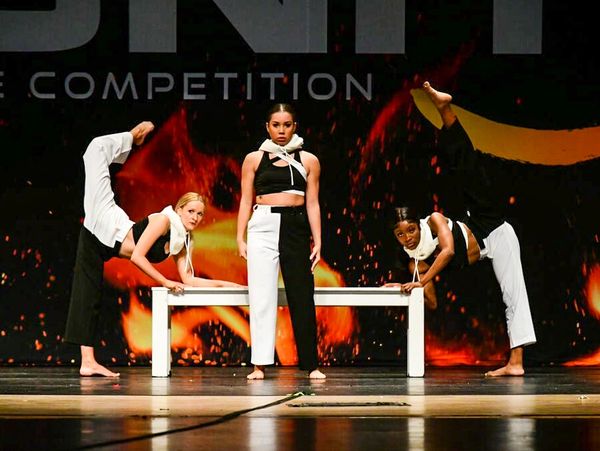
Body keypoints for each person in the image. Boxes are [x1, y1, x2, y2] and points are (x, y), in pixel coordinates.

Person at [64, 121, 240, 377]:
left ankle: (87, 362)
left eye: (200, 214)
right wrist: (164, 281)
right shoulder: (163, 220)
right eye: (191, 211)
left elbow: (189, 279)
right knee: (95, 149)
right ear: (179, 209)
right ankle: (132, 139)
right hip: (105, 222)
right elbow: (137, 256)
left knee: (86, 293)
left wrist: (229, 286)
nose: (195, 217)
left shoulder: (183, 240)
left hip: (103, 246)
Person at [387, 82, 537, 377]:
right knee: (511, 296)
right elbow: (430, 301)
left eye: (410, 231)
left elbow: (449, 250)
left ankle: (444, 109)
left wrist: (422, 277)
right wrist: (403, 289)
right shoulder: (413, 258)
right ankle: (516, 365)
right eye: (401, 235)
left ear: (418, 224)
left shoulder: (434, 220)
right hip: (482, 243)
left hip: (488, 223)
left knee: (465, 167)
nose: (408, 237)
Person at [237, 103, 326, 380]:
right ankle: (260, 364)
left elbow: (313, 203)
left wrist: (318, 240)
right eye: (276, 125)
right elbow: (245, 200)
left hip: (296, 226)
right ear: (267, 127)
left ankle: (311, 363)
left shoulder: (308, 160)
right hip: (262, 224)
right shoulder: (254, 158)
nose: (281, 131)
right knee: (261, 294)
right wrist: (239, 237)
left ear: (294, 127)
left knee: (301, 294)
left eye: (287, 125)